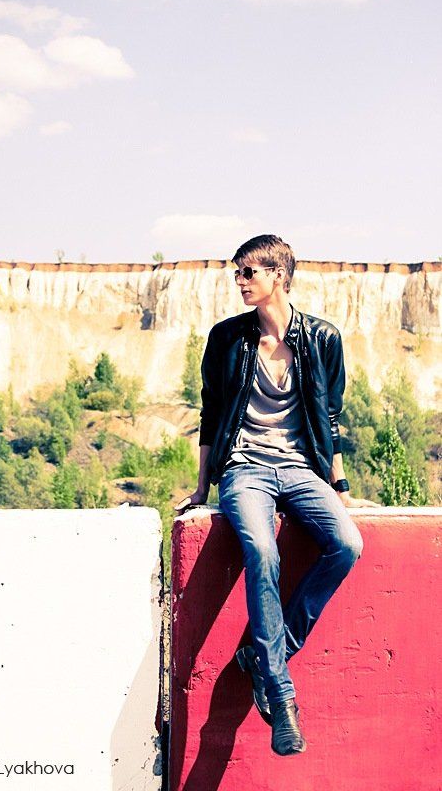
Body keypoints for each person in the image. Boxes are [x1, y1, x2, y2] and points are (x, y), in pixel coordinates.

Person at [175, 234, 378, 757]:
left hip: (300, 468)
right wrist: (202, 486)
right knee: (263, 552)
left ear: (278, 276)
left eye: (249, 272)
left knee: (347, 544)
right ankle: (281, 695)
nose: (240, 282)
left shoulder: (322, 338)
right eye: (237, 273)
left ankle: (266, 656)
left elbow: (330, 418)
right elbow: (212, 413)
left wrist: (340, 488)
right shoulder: (227, 339)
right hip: (245, 468)